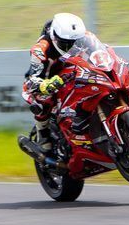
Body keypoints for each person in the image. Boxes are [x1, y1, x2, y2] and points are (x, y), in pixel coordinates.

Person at [22, 12, 91, 153]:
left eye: (76, 43)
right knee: (42, 99)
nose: (73, 47)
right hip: (46, 80)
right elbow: (31, 81)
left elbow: (99, 52)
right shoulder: (40, 50)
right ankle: (43, 134)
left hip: (72, 72)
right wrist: (44, 85)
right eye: (67, 45)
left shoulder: (83, 37)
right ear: (55, 38)